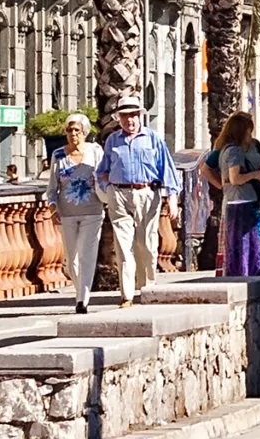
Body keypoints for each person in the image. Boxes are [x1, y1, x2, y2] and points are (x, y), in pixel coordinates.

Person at [97, 96, 171, 306]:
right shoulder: (113, 140)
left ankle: (147, 287)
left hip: (147, 193)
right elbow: (103, 170)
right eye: (125, 116)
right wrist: (107, 190)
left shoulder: (153, 138)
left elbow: (167, 168)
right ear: (118, 118)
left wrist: (172, 197)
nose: (130, 120)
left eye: (134, 115)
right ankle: (127, 294)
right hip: (119, 194)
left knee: (147, 244)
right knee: (123, 245)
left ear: (140, 116)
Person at [202, 111, 260, 278]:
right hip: (237, 199)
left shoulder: (255, 145)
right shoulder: (228, 149)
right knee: (241, 239)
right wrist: (221, 184)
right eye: (249, 130)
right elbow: (207, 169)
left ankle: (255, 270)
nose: (251, 135)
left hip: (254, 195)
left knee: (254, 237)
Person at [46, 112, 104, 313]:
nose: (73, 134)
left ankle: (82, 299)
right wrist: (52, 208)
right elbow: (52, 188)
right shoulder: (59, 155)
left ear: (85, 132)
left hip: (93, 211)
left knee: (86, 256)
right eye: (69, 130)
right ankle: (80, 291)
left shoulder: (95, 152)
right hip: (67, 214)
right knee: (72, 260)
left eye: (76, 130)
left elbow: (104, 178)